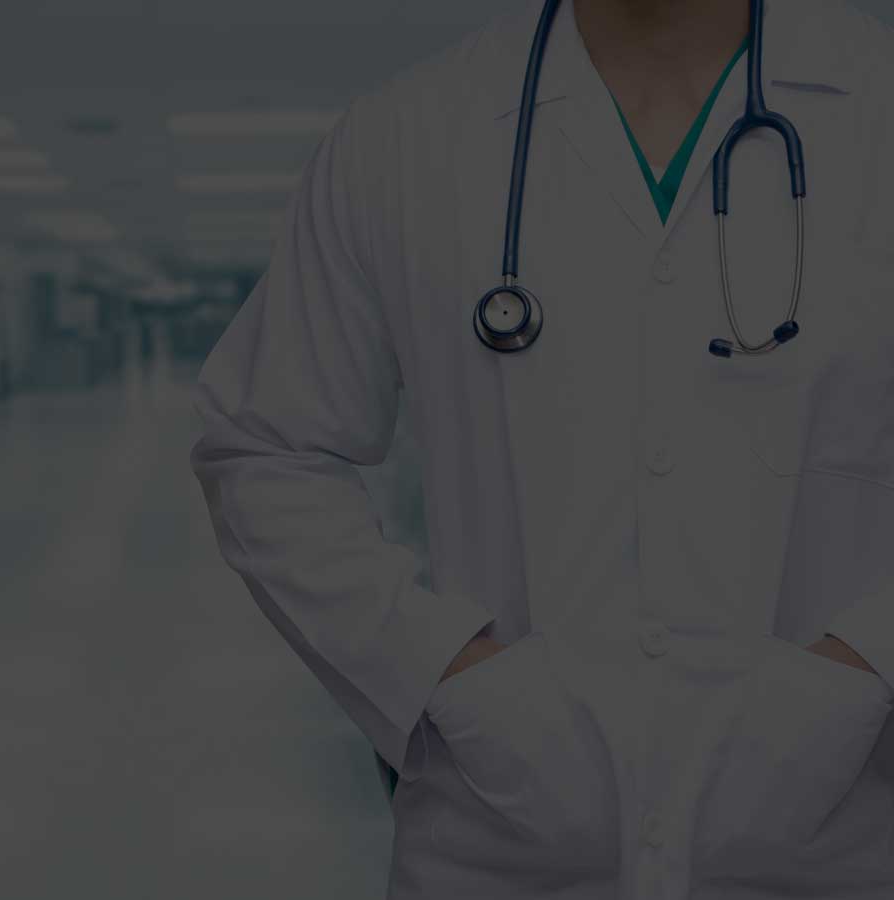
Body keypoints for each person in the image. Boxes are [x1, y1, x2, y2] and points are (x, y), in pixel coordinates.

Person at [189, 0, 894, 896]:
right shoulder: (406, 136)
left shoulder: (877, 104)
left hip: (845, 834)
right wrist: (444, 673)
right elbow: (263, 443)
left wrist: (864, 670)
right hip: (503, 836)